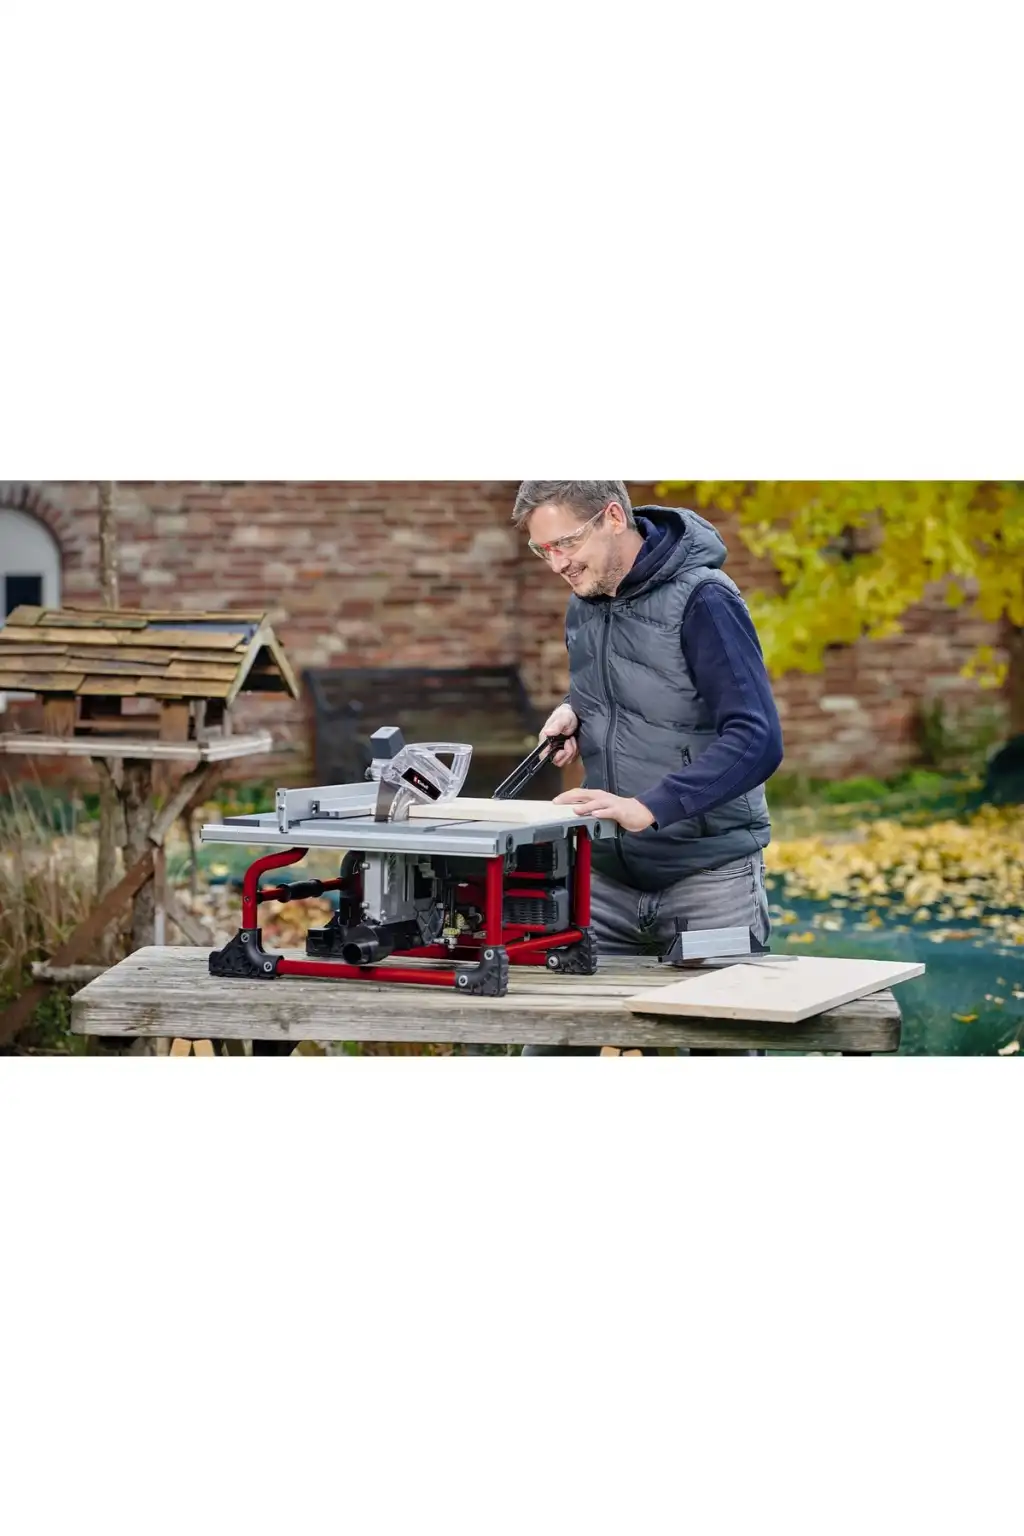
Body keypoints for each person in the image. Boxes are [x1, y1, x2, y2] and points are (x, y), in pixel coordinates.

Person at [514, 479, 784, 1055]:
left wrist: (649, 807)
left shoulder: (704, 599)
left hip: (708, 883)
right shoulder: (586, 602)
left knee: (722, 1062)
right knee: (550, 1046)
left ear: (613, 517)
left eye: (566, 543)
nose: (557, 564)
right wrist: (577, 712)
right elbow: (637, 689)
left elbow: (756, 739)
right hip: (605, 884)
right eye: (544, 550)